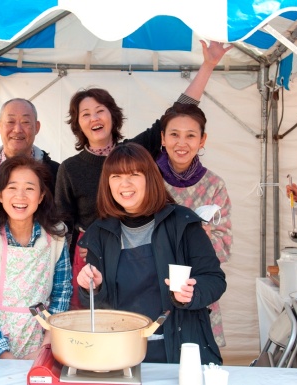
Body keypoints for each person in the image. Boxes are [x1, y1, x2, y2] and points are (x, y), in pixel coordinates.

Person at [56, 40, 231, 310]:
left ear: (112, 116)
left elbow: (175, 115)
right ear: (77, 123)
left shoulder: (134, 151)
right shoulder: (69, 168)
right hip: (92, 258)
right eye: (85, 114)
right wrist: (77, 255)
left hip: (138, 253)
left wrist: (208, 65)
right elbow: (64, 226)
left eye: (100, 111)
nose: (94, 118)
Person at [76, 143, 226, 365]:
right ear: (107, 183)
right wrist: (92, 287)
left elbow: (214, 280)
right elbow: (98, 307)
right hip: (122, 354)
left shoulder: (183, 223)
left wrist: (190, 293)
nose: (124, 184)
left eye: (134, 174)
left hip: (180, 352)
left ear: (150, 177)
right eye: (115, 176)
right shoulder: (100, 233)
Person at [0, 155, 72, 360]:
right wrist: (3, 355)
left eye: (30, 188)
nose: (20, 196)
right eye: (12, 187)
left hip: (39, 344)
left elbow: (62, 295)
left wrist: (44, 349)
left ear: (40, 196)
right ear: (0, 195)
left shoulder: (56, 237)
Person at [156, 102, 232, 347]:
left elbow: (225, 246)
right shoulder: (148, 179)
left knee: (197, 360)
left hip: (196, 285)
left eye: (191, 135)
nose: (182, 143)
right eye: (174, 134)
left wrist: (205, 237)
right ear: (163, 138)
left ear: (202, 140)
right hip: (153, 282)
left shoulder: (214, 185)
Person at [0, 98, 60, 193]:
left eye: (25, 122)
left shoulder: (56, 173)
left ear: (37, 127)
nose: (17, 130)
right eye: (10, 122)